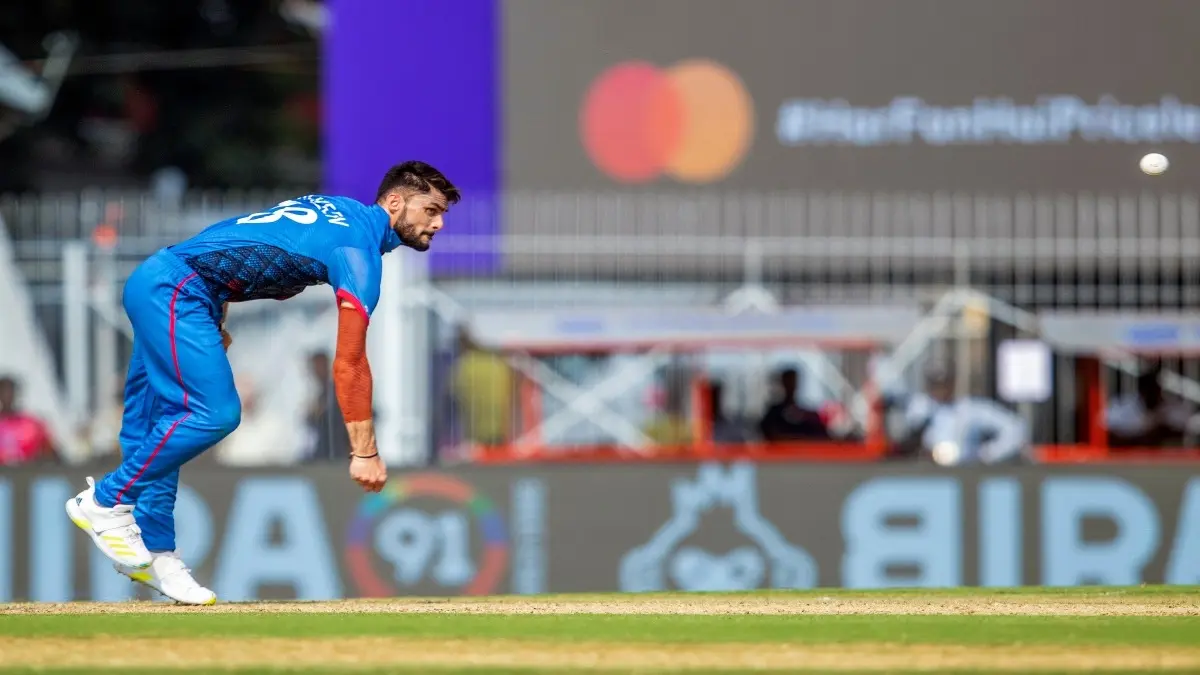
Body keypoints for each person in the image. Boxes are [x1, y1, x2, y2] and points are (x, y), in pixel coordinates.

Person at [63, 161, 460, 604]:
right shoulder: (359, 252)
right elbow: (349, 363)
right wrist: (364, 451)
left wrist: (217, 316)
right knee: (215, 414)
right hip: (176, 290)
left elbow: (242, 241)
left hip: (172, 281)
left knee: (154, 423)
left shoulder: (337, 208)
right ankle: (104, 501)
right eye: (431, 210)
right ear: (394, 201)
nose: (438, 223)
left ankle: (156, 554)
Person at [0, 375, 55, 465]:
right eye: (3, 391)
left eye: (10, 390)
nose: (7, 395)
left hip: (28, 474)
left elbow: (50, 452)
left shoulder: (32, 424)